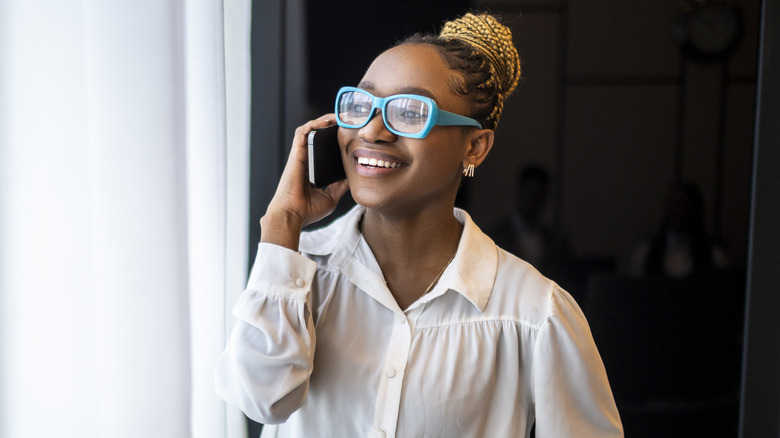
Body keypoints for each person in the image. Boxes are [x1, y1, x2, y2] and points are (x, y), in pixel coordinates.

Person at [215, 12, 623, 437]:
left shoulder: (535, 314)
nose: (372, 130)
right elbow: (260, 399)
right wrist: (283, 224)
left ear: (475, 147)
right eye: (361, 105)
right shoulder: (296, 273)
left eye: (409, 112)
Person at [630, 181, 729, 278]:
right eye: (670, 203)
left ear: (694, 209)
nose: (674, 209)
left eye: (680, 203)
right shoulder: (646, 254)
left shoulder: (714, 256)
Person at [487, 164, 571, 269]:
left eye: (540, 194)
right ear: (519, 192)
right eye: (531, 193)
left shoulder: (556, 241)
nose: (535, 200)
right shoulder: (495, 237)